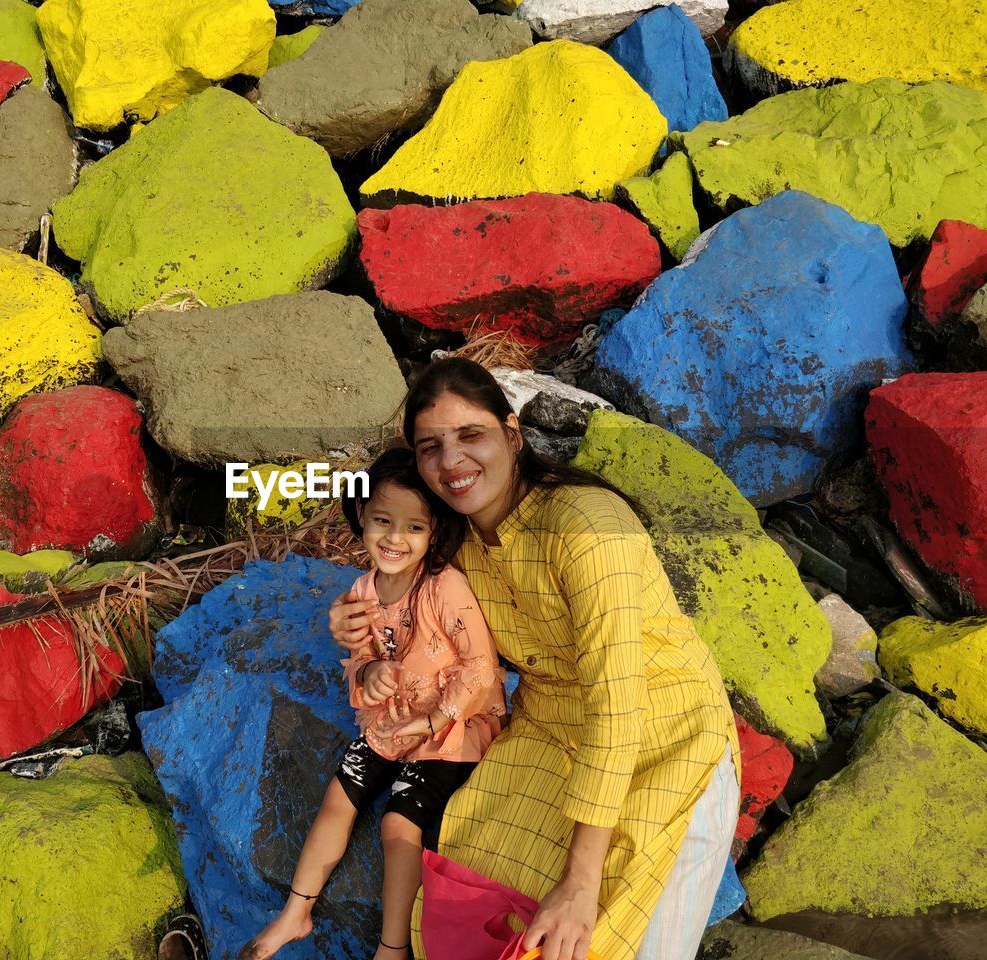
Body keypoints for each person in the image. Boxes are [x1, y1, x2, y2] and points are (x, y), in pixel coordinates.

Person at [330, 358, 741, 960]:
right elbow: (402, 603)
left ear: (513, 433)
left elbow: (617, 705)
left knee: (601, 936)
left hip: (663, 729)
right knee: (473, 906)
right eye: (430, 448)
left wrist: (580, 883)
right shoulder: (458, 540)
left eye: (471, 436)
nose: (451, 463)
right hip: (547, 728)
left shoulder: (587, 528)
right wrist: (356, 631)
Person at [242, 446, 507, 960]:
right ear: (361, 515)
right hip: (393, 722)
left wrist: (433, 719)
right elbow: (358, 660)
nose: (395, 539)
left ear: (435, 531)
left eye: (414, 527)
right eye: (383, 520)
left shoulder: (444, 587)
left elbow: (480, 667)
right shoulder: (363, 590)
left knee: (397, 823)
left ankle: (393, 947)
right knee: (337, 800)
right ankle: (296, 912)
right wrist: (370, 672)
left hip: (449, 729)